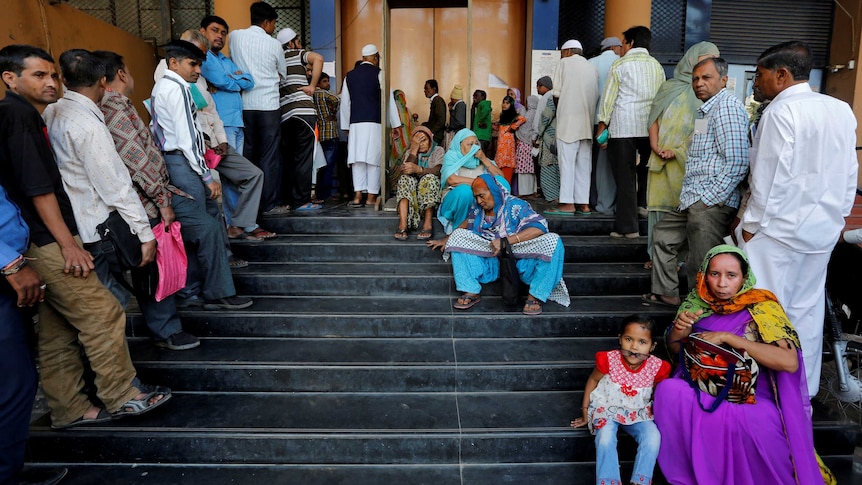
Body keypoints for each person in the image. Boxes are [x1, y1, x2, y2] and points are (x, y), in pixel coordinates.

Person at [0, 44, 170, 429]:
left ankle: (69, 407)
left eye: (52, 75)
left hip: (35, 239)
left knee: (58, 328)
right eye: (38, 75)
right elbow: (38, 189)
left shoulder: (37, 113)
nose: (50, 82)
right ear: (10, 78)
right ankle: (122, 395)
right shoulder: (21, 118)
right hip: (48, 239)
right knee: (103, 312)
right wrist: (68, 243)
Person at [44, 49, 199, 353]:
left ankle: (116, 354)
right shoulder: (106, 108)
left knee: (108, 288)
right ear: (106, 79)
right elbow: (127, 167)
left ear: (63, 79)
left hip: (85, 221)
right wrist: (159, 200)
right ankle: (155, 336)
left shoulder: (53, 111)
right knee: (143, 273)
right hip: (120, 213)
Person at [739, 41, 858, 398]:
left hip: (777, 230)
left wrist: (750, 225)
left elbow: (768, 176)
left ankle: (762, 389)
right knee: (806, 313)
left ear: (782, 74)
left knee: (764, 311)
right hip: (821, 231)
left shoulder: (779, 111)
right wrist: (838, 219)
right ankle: (799, 392)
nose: (756, 83)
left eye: (759, 76)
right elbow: (850, 171)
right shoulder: (841, 109)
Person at [655, 245, 827, 484]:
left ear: (744, 277)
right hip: (707, 384)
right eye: (715, 274)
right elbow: (678, 352)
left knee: (752, 421)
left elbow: (788, 363)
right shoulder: (696, 303)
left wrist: (731, 339)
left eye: (731, 275)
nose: (722, 284)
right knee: (669, 391)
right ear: (704, 275)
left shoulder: (763, 307)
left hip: (752, 391)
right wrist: (679, 330)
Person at [151, 40, 253, 311]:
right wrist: (207, 176)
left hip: (182, 163)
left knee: (206, 226)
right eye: (192, 64)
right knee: (203, 229)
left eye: (199, 64)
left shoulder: (166, 87)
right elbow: (187, 140)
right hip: (183, 165)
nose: (198, 70)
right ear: (173, 63)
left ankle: (202, 289)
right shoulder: (177, 89)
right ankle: (209, 291)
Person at [643, 57, 749, 309]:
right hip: (693, 197)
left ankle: (700, 313)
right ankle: (667, 292)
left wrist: (708, 200)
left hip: (711, 202)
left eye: (706, 78)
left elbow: (737, 162)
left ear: (723, 80)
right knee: (662, 236)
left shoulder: (727, 108)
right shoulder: (705, 110)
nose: (699, 83)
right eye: (695, 79)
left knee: (702, 261)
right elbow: (698, 152)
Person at [156, 30, 273, 242]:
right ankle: (226, 251)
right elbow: (186, 133)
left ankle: (238, 225)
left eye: (203, 59)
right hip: (189, 153)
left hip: (211, 143)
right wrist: (207, 177)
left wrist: (222, 140)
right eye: (196, 61)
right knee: (204, 213)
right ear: (176, 61)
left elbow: (212, 112)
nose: (201, 67)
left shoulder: (196, 78)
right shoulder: (171, 81)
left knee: (252, 174)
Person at [429, 174, 569, 316]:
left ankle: (535, 295)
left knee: (554, 241)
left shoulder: (515, 205)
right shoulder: (478, 208)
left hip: (519, 259)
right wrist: (448, 238)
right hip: (489, 258)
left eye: (481, 196)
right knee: (457, 235)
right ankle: (470, 289)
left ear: (493, 191)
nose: (479, 201)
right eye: (476, 197)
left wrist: (506, 241)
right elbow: (468, 221)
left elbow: (539, 227)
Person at [644, 42, 720, 270]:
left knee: (683, 211)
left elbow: (702, 131)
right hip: (660, 159)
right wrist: (657, 147)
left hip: (688, 162)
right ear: (691, 59)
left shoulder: (709, 94)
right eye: (704, 59)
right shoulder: (669, 87)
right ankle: (655, 256)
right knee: (659, 210)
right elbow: (654, 119)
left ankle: (679, 259)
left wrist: (678, 151)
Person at [570, 315, 670, 485]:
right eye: (628, 339)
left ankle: (640, 480)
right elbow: (593, 381)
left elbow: (656, 395)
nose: (634, 347)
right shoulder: (609, 360)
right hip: (606, 408)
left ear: (652, 346)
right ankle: (609, 481)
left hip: (638, 413)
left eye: (642, 342)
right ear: (620, 339)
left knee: (652, 436)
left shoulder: (657, 367)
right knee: (605, 437)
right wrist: (586, 411)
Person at [597, 26, 665, 238]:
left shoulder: (620, 64)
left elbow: (609, 98)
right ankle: (642, 205)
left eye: (625, 43)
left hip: (623, 127)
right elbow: (661, 98)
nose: (623, 47)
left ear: (632, 42)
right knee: (646, 169)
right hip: (650, 128)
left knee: (625, 177)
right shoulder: (657, 66)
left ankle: (628, 228)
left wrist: (602, 125)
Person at [227, 2, 288, 215]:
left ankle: (248, 206)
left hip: (244, 105)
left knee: (248, 155)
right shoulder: (274, 45)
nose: (273, 29)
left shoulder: (235, 36)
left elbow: (233, 61)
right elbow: (283, 74)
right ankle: (268, 204)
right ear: (267, 22)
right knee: (270, 156)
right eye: (273, 25)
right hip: (269, 105)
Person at [339, 44, 402, 209]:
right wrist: (395, 124)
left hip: (356, 124)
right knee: (374, 160)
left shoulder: (349, 76)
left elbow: (345, 103)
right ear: (375, 57)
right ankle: (371, 197)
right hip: (375, 123)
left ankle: (358, 195)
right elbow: (388, 100)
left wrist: (345, 126)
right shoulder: (380, 74)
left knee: (357, 159)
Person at [548, 39, 599, 216]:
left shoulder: (564, 63)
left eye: (562, 53)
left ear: (568, 51)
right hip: (586, 125)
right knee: (584, 165)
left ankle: (567, 204)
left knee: (567, 164)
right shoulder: (592, 67)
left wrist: (560, 110)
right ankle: (583, 204)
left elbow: (556, 94)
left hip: (568, 123)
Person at [275, 27, 324, 211]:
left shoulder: (277, 59)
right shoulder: (297, 53)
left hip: (284, 116)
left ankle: (288, 200)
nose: (300, 44)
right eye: (298, 40)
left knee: (289, 159)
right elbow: (318, 58)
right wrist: (312, 86)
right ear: (291, 43)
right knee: (304, 159)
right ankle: (302, 201)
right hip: (303, 113)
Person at [198, 15, 254, 154]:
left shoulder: (225, 59)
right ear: (202, 32)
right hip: (221, 124)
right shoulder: (204, 57)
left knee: (238, 171)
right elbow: (222, 81)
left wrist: (229, 79)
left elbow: (249, 81)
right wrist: (235, 78)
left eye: (223, 33)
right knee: (229, 170)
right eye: (215, 30)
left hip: (237, 122)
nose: (220, 36)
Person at [436, 128, 506, 234]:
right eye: (469, 144)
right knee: (465, 192)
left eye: (475, 144)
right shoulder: (452, 156)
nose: (474, 147)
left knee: (500, 186)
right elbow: (452, 180)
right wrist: (481, 182)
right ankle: (458, 233)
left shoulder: (481, 159)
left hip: (479, 203)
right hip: (454, 202)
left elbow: (501, 179)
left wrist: (484, 160)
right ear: (460, 145)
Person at [588, 37, 622, 214]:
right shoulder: (620, 62)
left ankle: (591, 201)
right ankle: (608, 204)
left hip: (590, 121)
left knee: (591, 164)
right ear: (616, 48)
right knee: (608, 167)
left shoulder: (590, 63)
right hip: (611, 122)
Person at [393, 126, 444, 241]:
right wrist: (414, 150)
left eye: (424, 140)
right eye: (417, 141)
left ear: (430, 140)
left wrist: (419, 170)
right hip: (413, 194)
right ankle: (403, 224)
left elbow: (438, 171)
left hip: (429, 191)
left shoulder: (438, 150)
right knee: (404, 179)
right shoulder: (410, 152)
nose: (421, 144)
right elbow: (406, 171)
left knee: (429, 179)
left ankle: (427, 222)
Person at [313, 72, 341, 201]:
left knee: (319, 166)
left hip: (319, 135)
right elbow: (338, 99)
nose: (327, 84)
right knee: (328, 167)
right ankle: (325, 195)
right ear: (318, 83)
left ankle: (318, 194)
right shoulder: (324, 93)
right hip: (330, 133)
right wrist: (333, 112)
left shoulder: (311, 95)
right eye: (324, 81)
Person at [494, 95, 525, 184]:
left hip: (508, 149)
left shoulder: (514, 116)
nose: (504, 105)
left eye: (507, 103)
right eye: (503, 102)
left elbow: (523, 119)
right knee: (499, 175)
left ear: (511, 105)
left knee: (507, 175)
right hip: (500, 149)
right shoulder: (502, 116)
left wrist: (513, 126)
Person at [536, 94, 560, 203]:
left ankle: (553, 196)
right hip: (564, 136)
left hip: (550, 138)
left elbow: (546, 116)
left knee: (548, 167)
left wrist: (539, 131)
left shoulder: (553, 95)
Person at [514, 94, 539, 198]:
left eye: (528, 102)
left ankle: (525, 191)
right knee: (530, 168)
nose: (526, 104)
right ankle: (532, 190)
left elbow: (523, 128)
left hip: (525, 144)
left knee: (523, 169)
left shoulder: (529, 114)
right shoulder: (535, 113)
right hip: (530, 144)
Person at [391, 89, 416, 171]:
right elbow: (412, 125)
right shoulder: (407, 111)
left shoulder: (392, 111)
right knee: (405, 157)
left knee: (396, 160)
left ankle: (395, 176)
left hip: (395, 140)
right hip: (407, 139)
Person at [422, 79, 446, 145]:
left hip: (436, 136)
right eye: (424, 89)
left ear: (434, 89)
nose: (425, 91)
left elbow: (441, 120)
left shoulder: (438, 101)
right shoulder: (435, 101)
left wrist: (432, 132)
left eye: (427, 88)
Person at [470, 90, 492, 154]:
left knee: (480, 156)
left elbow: (486, 110)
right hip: (481, 136)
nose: (474, 97)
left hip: (482, 136)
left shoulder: (483, 104)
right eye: (473, 96)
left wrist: (481, 121)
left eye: (476, 96)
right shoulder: (478, 106)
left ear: (482, 97)